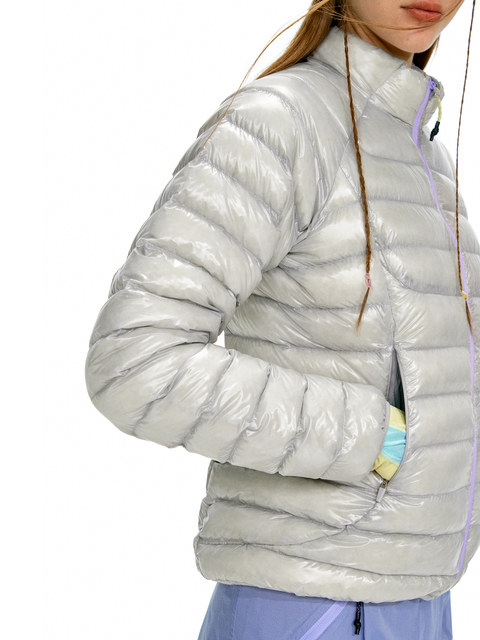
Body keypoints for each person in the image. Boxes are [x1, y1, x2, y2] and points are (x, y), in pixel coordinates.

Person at [84, 0, 479, 638]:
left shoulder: (417, 148)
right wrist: (377, 439)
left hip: (419, 595)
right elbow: (134, 362)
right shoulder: (281, 122)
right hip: (313, 602)